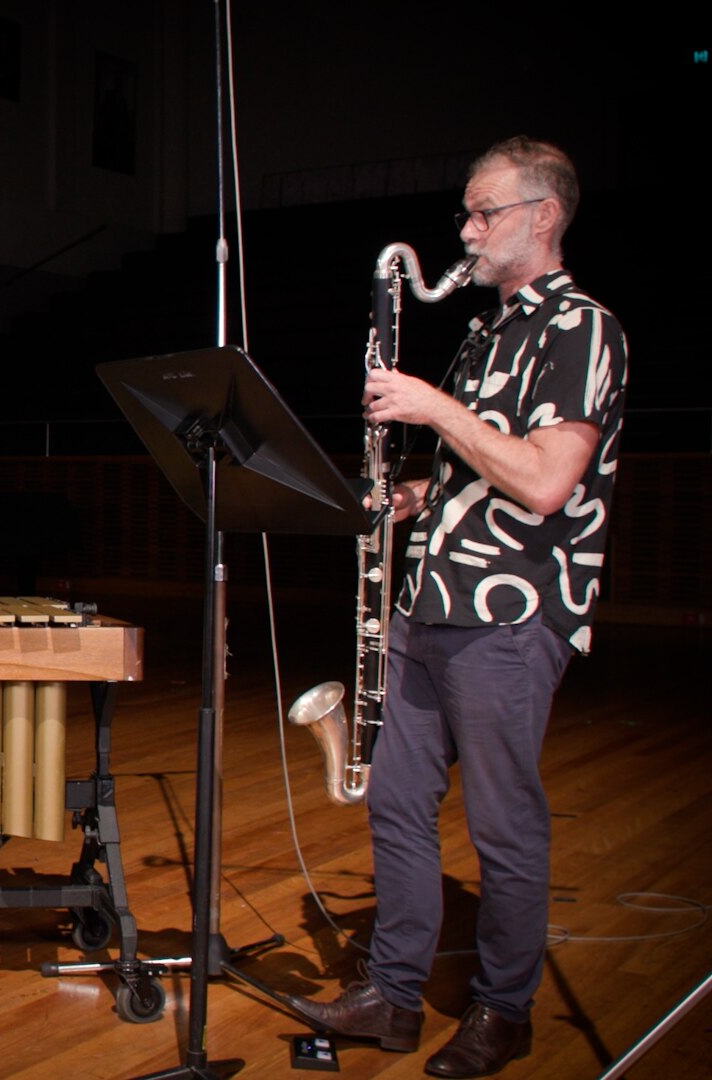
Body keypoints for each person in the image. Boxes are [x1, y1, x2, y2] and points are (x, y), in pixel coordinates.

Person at [286, 137, 627, 1078]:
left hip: (511, 616)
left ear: (543, 216)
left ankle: (502, 1011)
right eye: (467, 216)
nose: (468, 232)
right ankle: (393, 996)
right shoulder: (489, 330)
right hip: (431, 602)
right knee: (396, 803)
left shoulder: (580, 327)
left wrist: (433, 408)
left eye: (486, 214)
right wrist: (408, 502)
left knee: (504, 822)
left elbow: (549, 483)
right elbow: (481, 473)